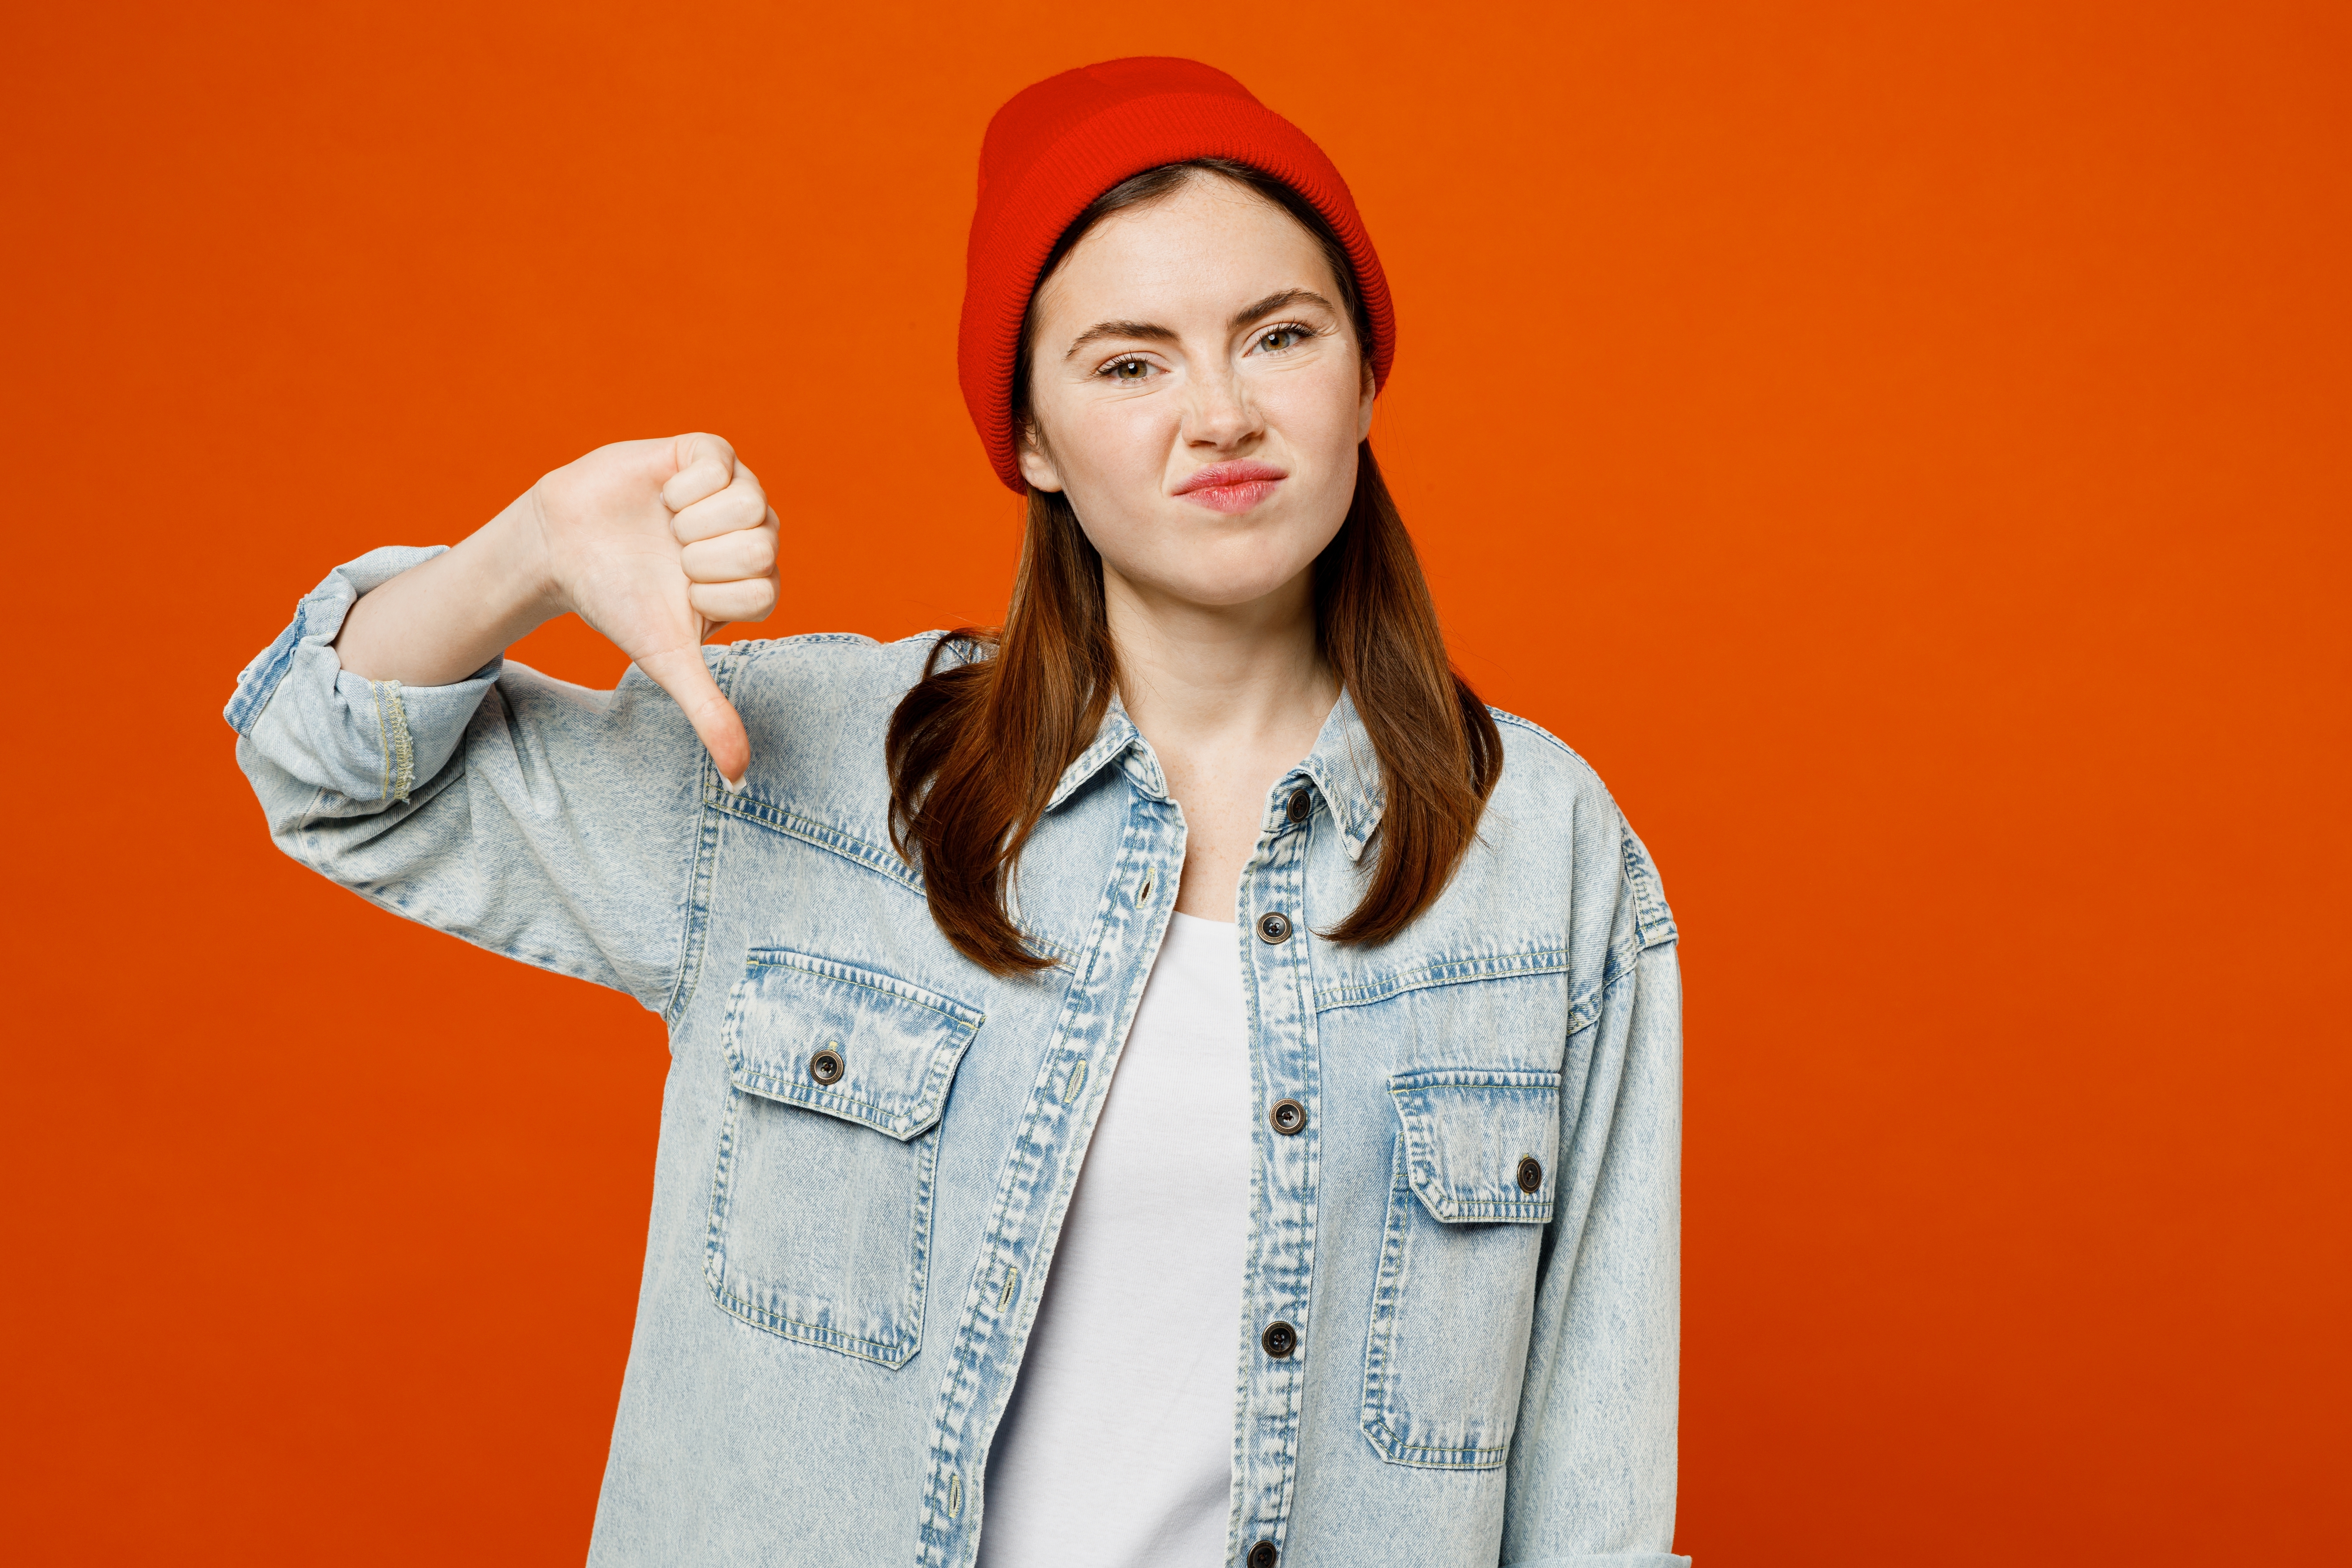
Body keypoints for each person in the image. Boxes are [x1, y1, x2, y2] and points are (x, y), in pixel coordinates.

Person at [226, 57, 1687, 1568]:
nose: (1222, 413)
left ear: (1365, 374)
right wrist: (525, 554)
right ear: (1030, 437)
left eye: (1280, 335)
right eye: (1129, 364)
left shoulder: (1545, 855)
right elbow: (324, 770)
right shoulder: (814, 775)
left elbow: (1595, 1503)